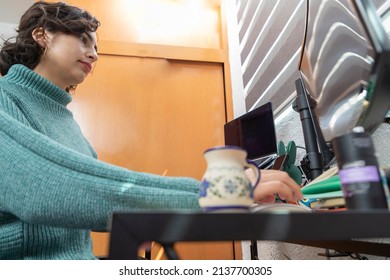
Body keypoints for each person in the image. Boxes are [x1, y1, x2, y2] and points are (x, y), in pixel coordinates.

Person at [0, 1, 302, 260]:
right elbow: (50, 187)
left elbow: (92, 198)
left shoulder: (66, 121)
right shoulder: (4, 99)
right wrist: (217, 193)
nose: (94, 54)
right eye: (83, 40)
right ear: (42, 35)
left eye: (96, 47)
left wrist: (136, 219)